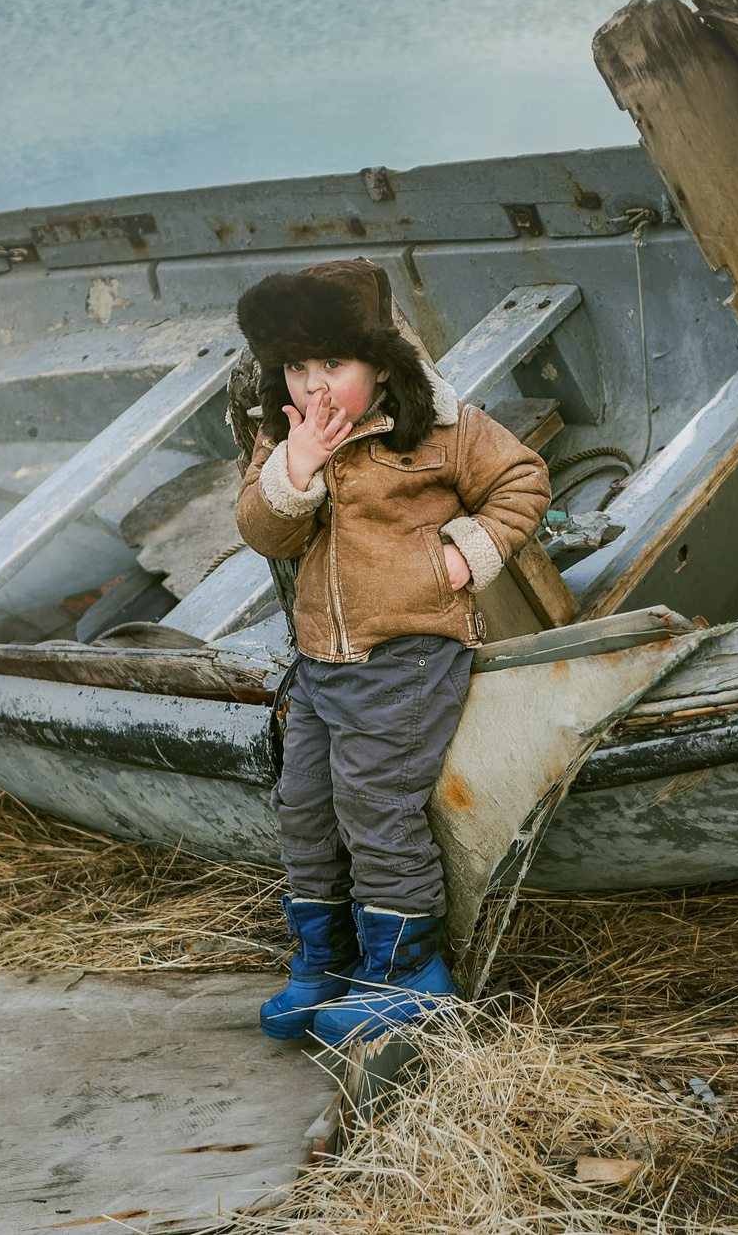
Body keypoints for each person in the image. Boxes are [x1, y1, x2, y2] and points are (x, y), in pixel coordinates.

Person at [233, 258, 549, 1045]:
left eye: (333, 365)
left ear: (380, 364)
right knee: (304, 810)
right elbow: (260, 530)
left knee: (377, 809)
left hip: (407, 655)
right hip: (320, 663)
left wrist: (463, 553)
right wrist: (294, 470)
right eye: (298, 367)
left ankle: (411, 975)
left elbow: (522, 480)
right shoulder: (287, 442)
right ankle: (328, 963)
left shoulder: (443, 429)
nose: (314, 386)